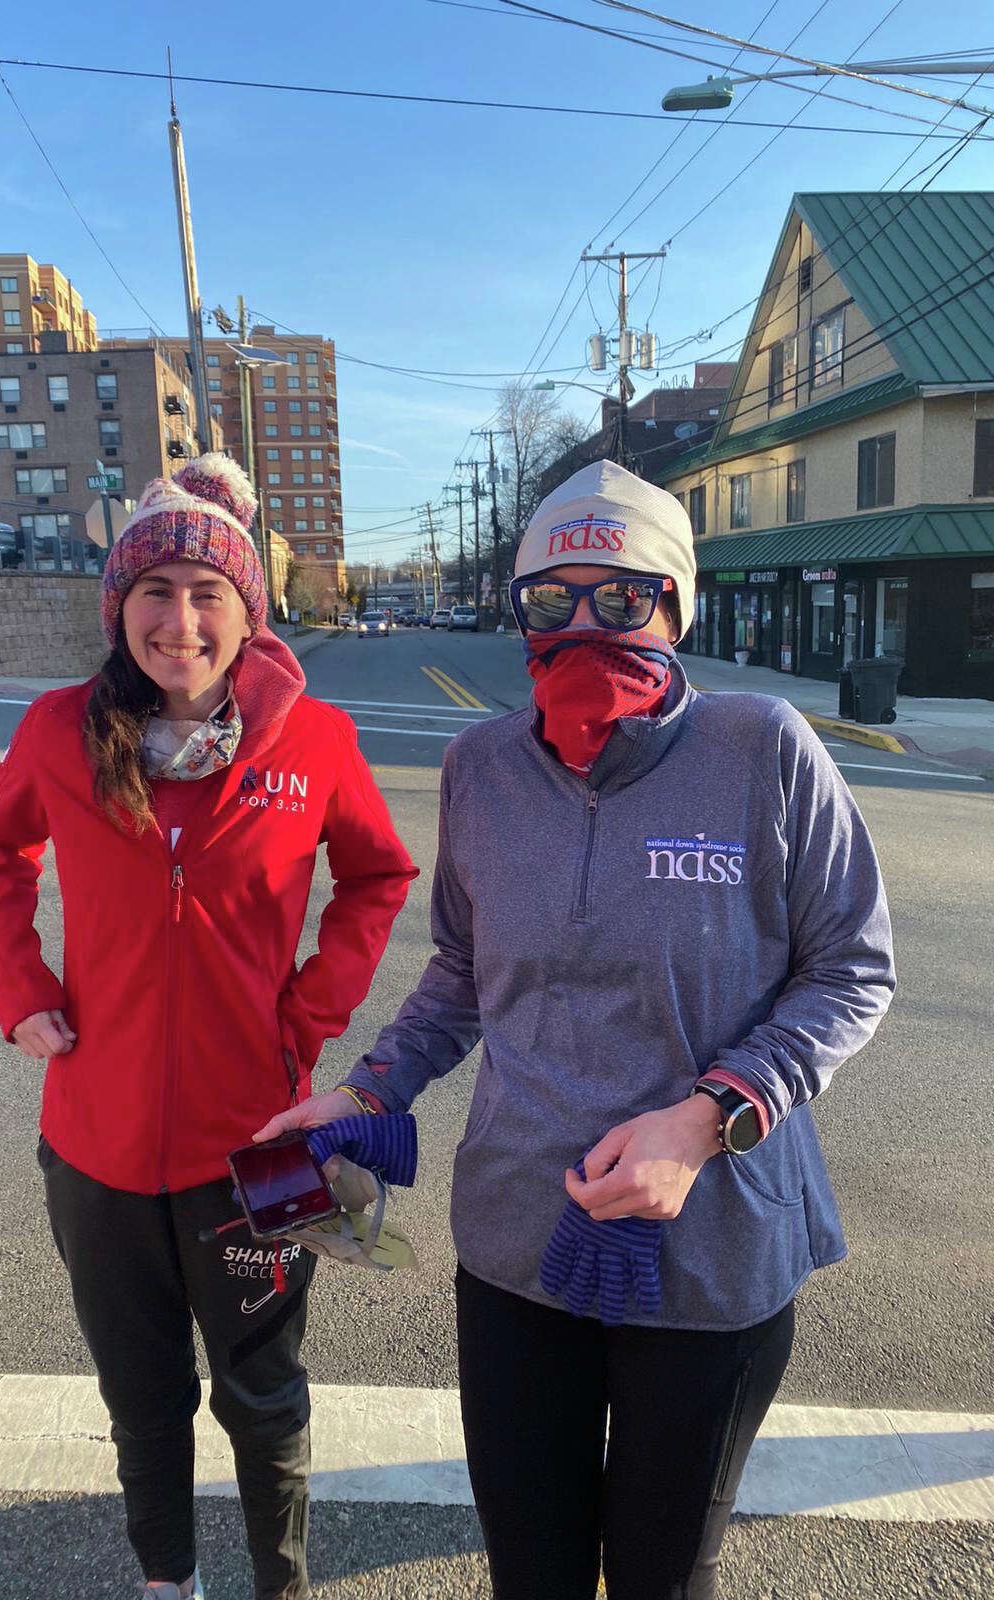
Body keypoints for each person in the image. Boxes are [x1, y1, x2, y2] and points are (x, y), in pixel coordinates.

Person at [256, 459, 896, 1600]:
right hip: (516, 1238)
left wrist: (705, 1122)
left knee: (660, 1578)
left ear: (677, 604)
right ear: (520, 616)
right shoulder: (480, 766)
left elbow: (851, 967)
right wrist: (368, 1094)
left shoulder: (764, 749)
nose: (588, 623)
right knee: (532, 1575)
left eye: (625, 594)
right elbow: (463, 967)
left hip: (714, 1250)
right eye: (553, 601)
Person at [0, 453, 416, 1600]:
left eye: (207, 593)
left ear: (245, 610)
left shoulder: (313, 744)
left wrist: (304, 1016)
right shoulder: (63, 729)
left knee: (265, 1394)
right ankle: (168, 1581)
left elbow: (377, 877)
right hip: (96, 1143)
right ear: (121, 610)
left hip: (265, 1141)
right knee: (141, 1395)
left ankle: (282, 1584)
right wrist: (22, 991)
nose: (180, 619)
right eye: (153, 592)